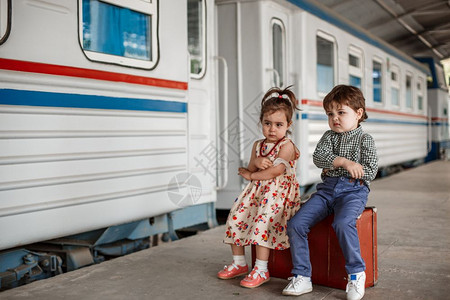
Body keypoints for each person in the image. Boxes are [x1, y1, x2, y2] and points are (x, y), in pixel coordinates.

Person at [282, 85, 378, 300]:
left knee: (342, 223)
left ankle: (355, 273)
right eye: (330, 114)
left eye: (341, 113)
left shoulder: (365, 140)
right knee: (296, 224)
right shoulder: (329, 136)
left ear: (358, 113)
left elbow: (369, 171)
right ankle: (302, 275)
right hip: (326, 192)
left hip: (353, 192)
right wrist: (344, 162)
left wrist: (332, 165)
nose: (335, 118)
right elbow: (319, 158)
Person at [217, 86, 301, 288]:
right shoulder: (258, 144)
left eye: (278, 124)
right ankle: (239, 263)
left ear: (288, 124)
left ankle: (261, 269)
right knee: (236, 217)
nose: (272, 129)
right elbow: (251, 164)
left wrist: (253, 174)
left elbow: (276, 171)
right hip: (256, 192)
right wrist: (257, 162)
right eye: (267, 123)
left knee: (261, 225)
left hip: (278, 196)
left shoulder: (287, 146)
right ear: (261, 123)